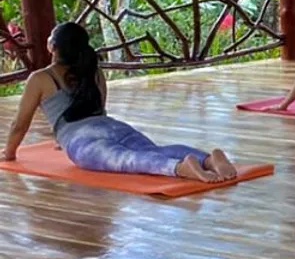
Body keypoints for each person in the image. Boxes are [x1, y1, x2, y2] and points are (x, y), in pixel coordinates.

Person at [2, 22, 237, 183]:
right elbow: (98, 107)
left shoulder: (41, 78)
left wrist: (9, 154)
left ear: (53, 47)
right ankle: (208, 158)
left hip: (82, 140)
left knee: (128, 160)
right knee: (152, 150)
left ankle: (180, 169)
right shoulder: (93, 70)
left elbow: (19, 125)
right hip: (111, 126)